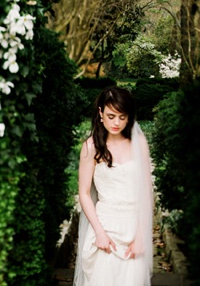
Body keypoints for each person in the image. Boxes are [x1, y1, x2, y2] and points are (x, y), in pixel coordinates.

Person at [74, 86, 153, 286]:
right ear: (100, 113)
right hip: (104, 227)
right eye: (111, 116)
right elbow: (84, 193)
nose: (116, 122)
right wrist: (99, 233)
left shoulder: (139, 144)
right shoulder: (91, 147)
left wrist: (142, 235)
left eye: (122, 116)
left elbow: (147, 191)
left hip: (133, 226)